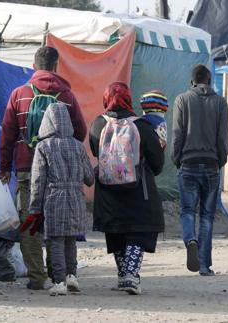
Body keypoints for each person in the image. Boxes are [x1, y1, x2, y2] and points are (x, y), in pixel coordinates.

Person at [0, 46, 87, 290]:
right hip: (61, 174)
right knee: (60, 225)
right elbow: (80, 131)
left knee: (31, 222)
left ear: (34, 66)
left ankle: (37, 277)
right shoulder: (67, 96)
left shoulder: (19, 94)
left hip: (28, 168)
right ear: (56, 66)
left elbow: (7, 134)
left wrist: (5, 167)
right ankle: (63, 275)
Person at [89, 82, 165, 295]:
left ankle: (123, 275)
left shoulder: (97, 124)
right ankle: (132, 275)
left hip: (107, 191)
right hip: (138, 189)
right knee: (137, 232)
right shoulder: (142, 126)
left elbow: (97, 152)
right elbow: (157, 162)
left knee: (117, 232)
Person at [27, 103, 95, 296]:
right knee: (70, 239)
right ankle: (72, 276)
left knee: (55, 240)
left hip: (54, 198)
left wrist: (34, 209)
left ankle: (59, 282)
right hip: (75, 197)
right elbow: (89, 178)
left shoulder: (43, 147)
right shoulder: (77, 146)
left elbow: (38, 181)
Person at [171, 64, 228, 276]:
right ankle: (204, 266)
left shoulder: (182, 100)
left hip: (188, 163)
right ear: (210, 81)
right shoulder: (221, 103)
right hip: (212, 165)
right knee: (206, 215)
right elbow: (223, 138)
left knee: (187, 210)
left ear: (192, 81)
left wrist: (177, 159)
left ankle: (190, 240)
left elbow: (177, 135)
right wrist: (220, 160)